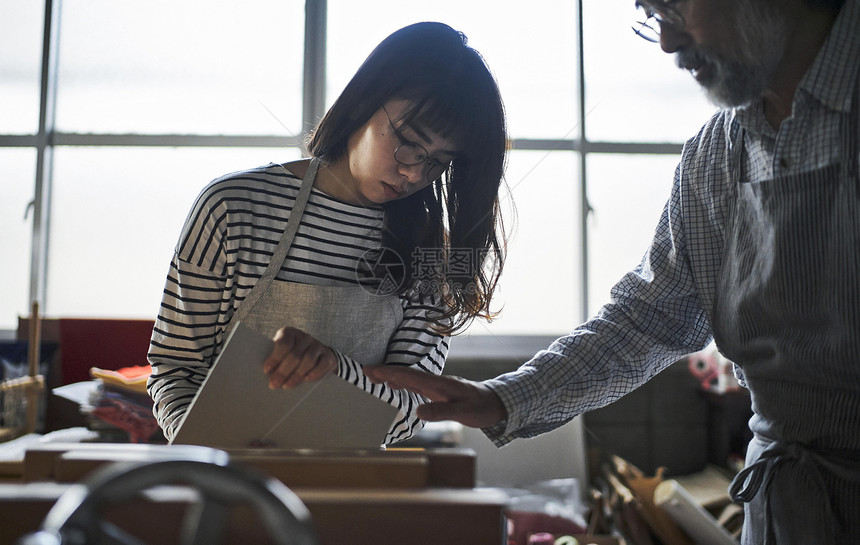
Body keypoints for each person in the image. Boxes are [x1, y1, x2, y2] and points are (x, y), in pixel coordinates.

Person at [365, 0, 860, 543]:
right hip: (784, 508)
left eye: (671, 8)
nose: (668, 44)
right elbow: (648, 320)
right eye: (652, 17)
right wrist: (503, 399)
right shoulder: (716, 156)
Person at [146, 21, 508, 447]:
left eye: (438, 162)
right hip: (224, 480)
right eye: (409, 142)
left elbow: (414, 407)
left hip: (350, 485)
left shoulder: (432, 253)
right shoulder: (234, 207)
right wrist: (206, 455)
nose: (414, 172)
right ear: (364, 100)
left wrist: (333, 369)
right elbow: (176, 368)